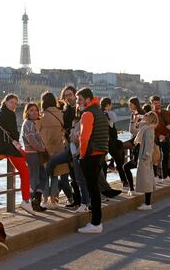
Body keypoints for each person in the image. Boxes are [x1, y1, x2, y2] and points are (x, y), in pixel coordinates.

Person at [0, 94, 35, 214]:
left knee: (29, 158)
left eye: (16, 103)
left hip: (2, 146)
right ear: (5, 102)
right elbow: (14, 134)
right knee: (24, 171)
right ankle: (26, 200)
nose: (14, 105)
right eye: (12, 102)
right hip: (7, 147)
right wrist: (16, 138)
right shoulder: (8, 114)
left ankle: (28, 185)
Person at [76, 88, 109, 234]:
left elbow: (84, 137)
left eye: (80, 100)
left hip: (90, 154)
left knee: (92, 189)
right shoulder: (99, 111)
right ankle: (96, 221)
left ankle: (96, 223)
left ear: (87, 100)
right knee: (95, 188)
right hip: (100, 152)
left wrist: (82, 156)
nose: (78, 103)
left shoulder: (88, 114)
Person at [38, 92, 71, 209]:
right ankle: (54, 201)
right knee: (55, 176)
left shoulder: (42, 116)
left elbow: (37, 131)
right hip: (59, 149)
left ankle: (45, 200)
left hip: (45, 150)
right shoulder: (60, 114)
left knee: (45, 176)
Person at [21, 103, 47, 212]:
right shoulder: (28, 124)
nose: (35, 112)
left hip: (37, 154)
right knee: (34, 179)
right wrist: (42, 149)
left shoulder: (32, 123)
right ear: (27, 112)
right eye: (31, 110)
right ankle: (31, 203)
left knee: (43, 177)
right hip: (32, 154)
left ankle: (36, 201)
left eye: (36, 110)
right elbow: (32, 141)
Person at [100, 97, 127, 189]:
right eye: (110, 105)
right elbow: (115, 119)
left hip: (103, 141)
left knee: (103, 164)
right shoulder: (109, 114)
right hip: (112, 142)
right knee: (119, 163)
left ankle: (104, 185)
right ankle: (125, 182)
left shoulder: (100, 114)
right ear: (108, 105)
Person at [135, 112, 158, 210]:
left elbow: (149, 144)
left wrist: (146, 156)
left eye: (147, 116)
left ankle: (147, 204)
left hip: (145, 157)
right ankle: (147, 203)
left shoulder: (149, 129)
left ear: (150, 118)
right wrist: (136, 118)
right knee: (147, 179)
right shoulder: (147, 127)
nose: (145, 116)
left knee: (146, 179)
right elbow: (136, 127)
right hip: (146, 156)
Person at [150, 96, 170, 181]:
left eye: (158, 102)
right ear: (152, 103)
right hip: (157, 138)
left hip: (166, 137)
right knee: (156, 158)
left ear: (160, 102)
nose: (157, 104)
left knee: (166, 157)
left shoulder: (166, 112)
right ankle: (155, 176)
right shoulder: (151, 114)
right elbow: (151, 128)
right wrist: (158, 135)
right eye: (155, 103)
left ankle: (165, 176)